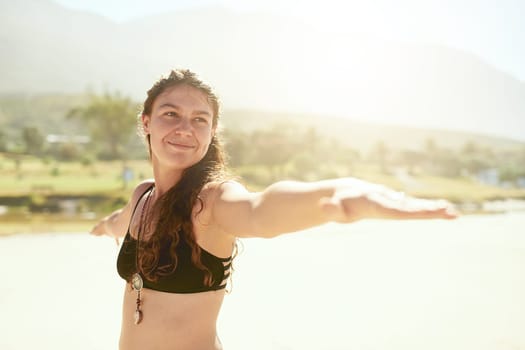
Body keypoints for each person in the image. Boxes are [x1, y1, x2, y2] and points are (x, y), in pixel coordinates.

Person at [90, 68, 456, 350]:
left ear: (212, 131)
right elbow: (119, 223)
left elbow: (260, 210)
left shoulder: (212, 200)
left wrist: (336, 198)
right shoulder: (142, 197)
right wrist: (103, 227)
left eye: (200, 119)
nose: (186, 128)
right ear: (146, 122)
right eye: (171, 114)